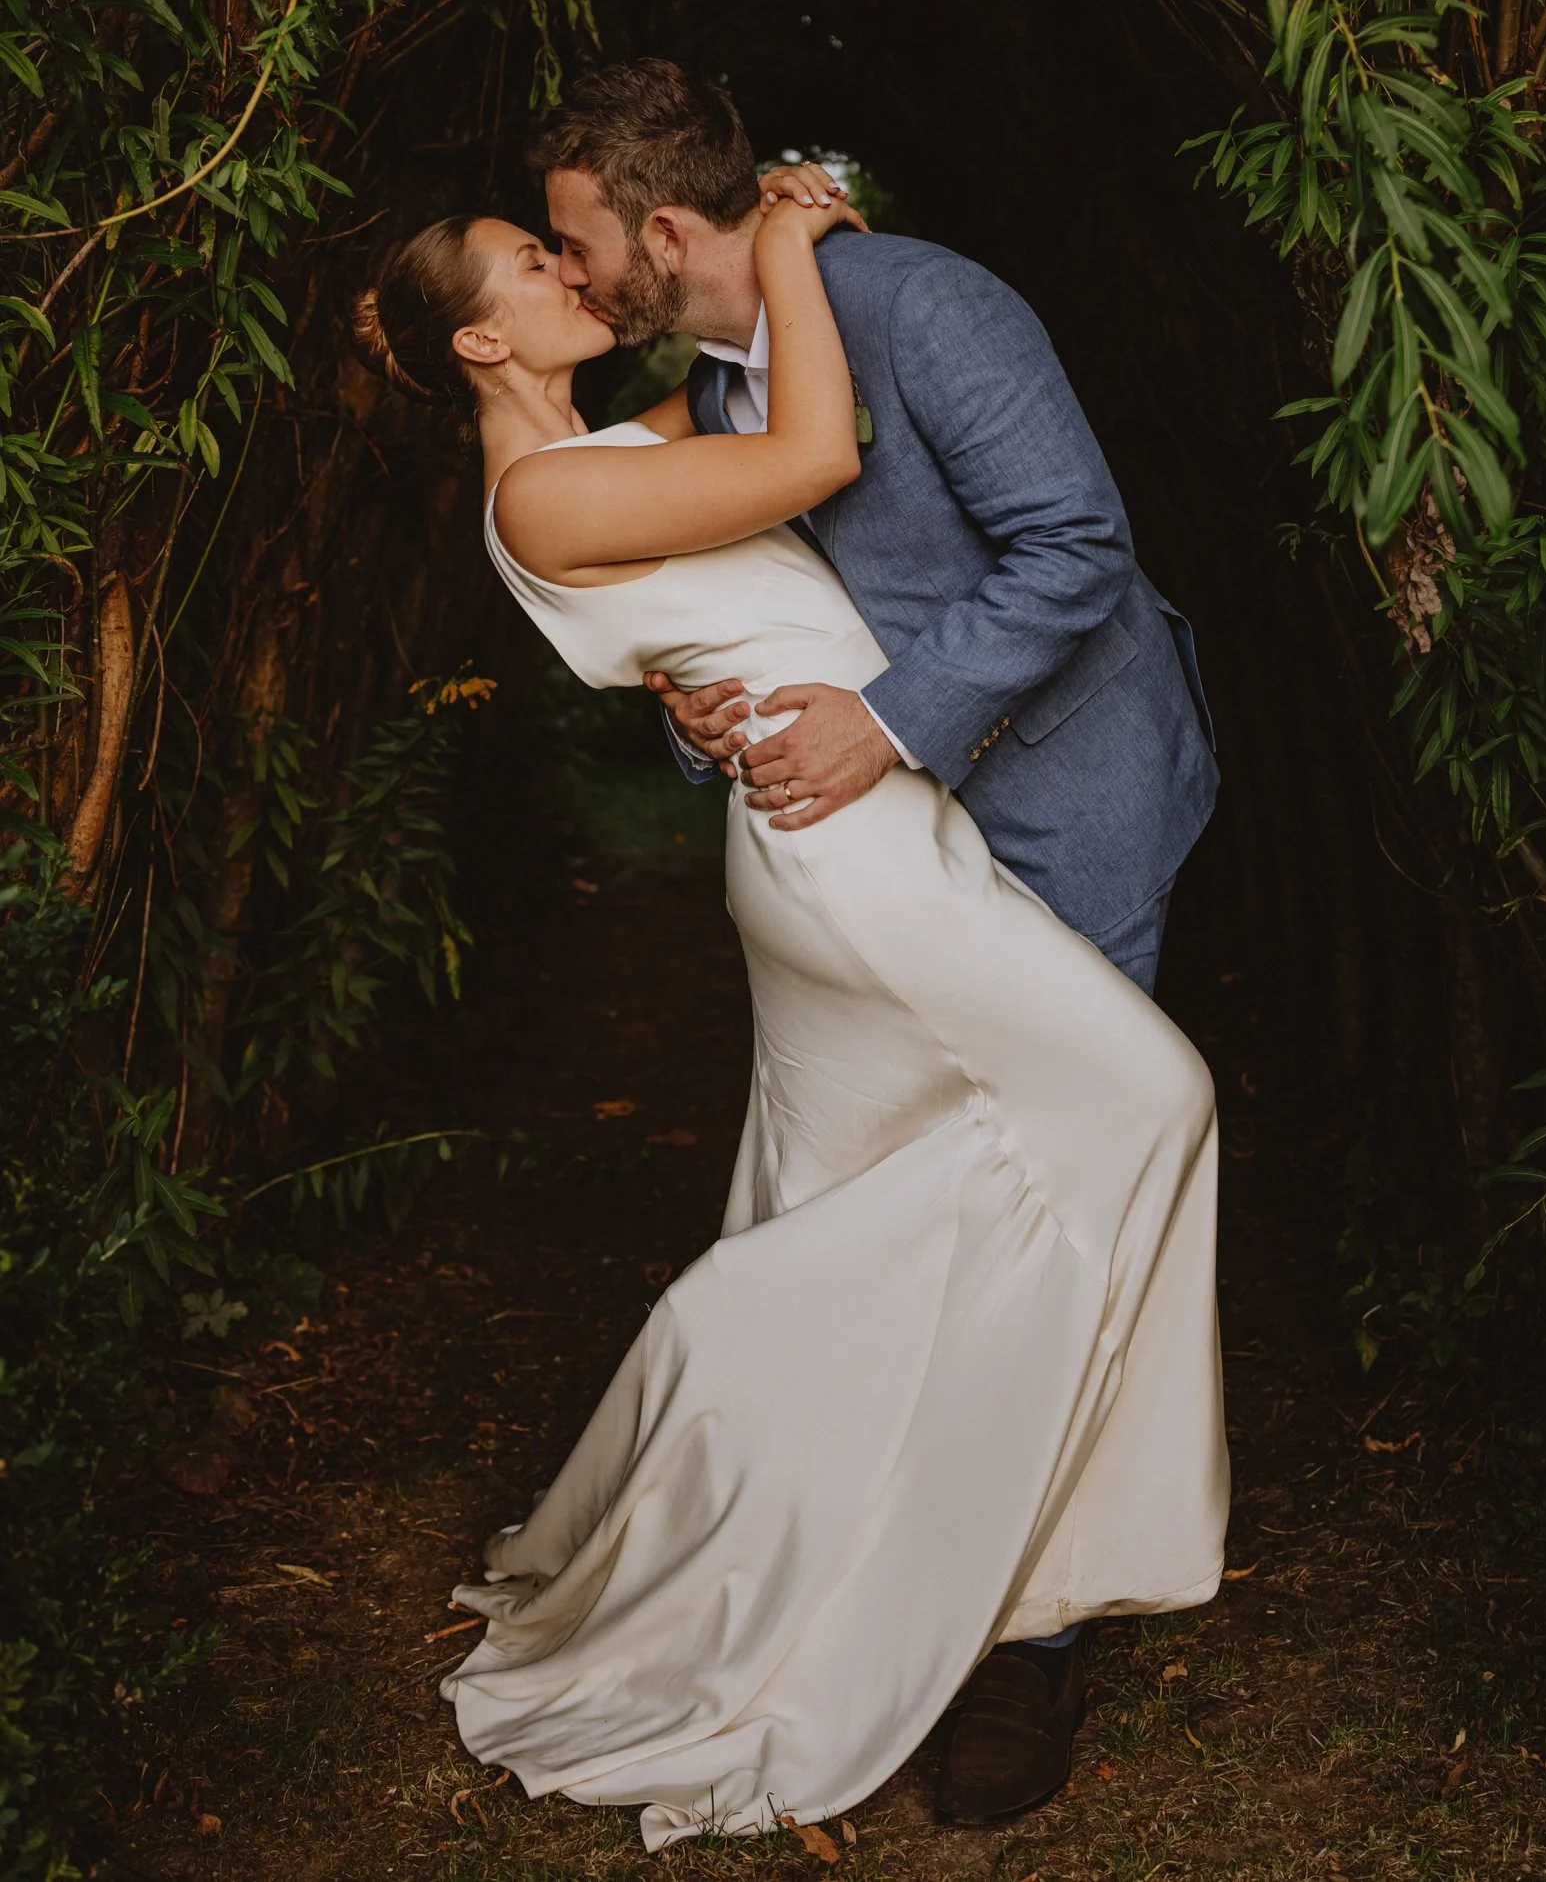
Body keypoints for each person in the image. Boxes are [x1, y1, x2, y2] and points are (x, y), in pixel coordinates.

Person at [351, 147, 1229, 1850]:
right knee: (1149, 1101)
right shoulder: (539, 492)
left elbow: (729, 426)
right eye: (532, 262)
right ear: (477, 342)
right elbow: (815, 450)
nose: (565, 272)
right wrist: (805, 246)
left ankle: (901, 1532)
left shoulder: (602, 448)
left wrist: (765, 240)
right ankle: (757, 1363)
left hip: (857, 825)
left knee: (898, 1173)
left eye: (571, 240)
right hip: (851, 853)